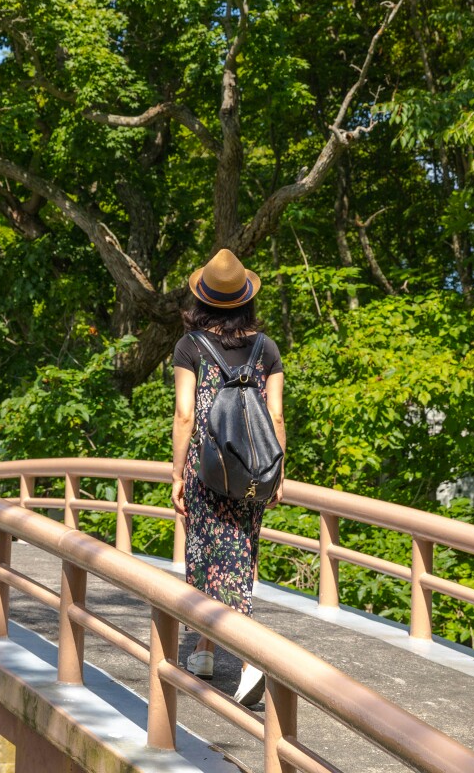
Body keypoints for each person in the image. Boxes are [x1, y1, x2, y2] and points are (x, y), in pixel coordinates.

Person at [170, 248, 286, 706]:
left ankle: (249, 658)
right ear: (245, 299)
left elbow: (184, 415)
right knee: (239, 554)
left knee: (210, 553)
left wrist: (177, 474)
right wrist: (279, 474)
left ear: (203, 301)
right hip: (253, 470)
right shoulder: (267, 347)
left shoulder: (190, 346)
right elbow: (275, 415)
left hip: (207, 468)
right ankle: (202, 648)